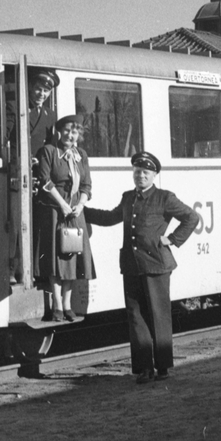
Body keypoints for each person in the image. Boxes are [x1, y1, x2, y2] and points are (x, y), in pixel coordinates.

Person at [85, 152, 200, 384]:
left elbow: (192, 217)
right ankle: (144, 368)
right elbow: (110, 217)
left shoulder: (164, 197)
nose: (141, 176)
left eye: (146, 172)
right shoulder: (128, 197)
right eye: (137, 172)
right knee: (136, 317)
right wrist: (82, 211)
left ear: (154, 175)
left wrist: (172, 239)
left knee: (159, 315)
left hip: (156, 265)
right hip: (131, 265)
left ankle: (163, 366)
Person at [34, 116, 95, 322]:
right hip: (55, 211)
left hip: (75, 212)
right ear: (59, 131)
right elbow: (45, 180)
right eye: (67, 130)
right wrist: (62, 204)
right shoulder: (49, 151)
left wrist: (80, 205)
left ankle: (68, 304)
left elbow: (86, 185)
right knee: (56, 259)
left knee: (71, 256)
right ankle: (57, 305)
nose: (70, 135)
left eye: (74, 132)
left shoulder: (81, 155)